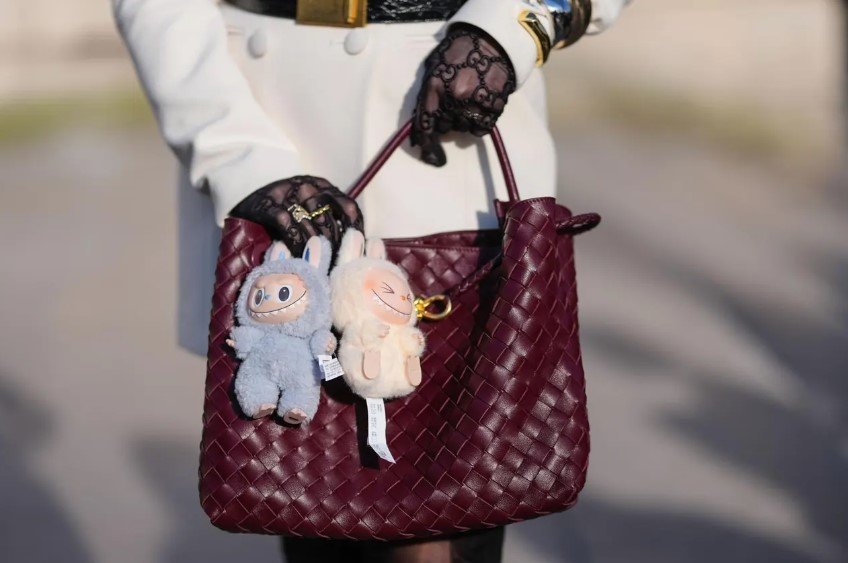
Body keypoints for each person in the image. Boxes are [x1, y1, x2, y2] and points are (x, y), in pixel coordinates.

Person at [112, 1, 630, 561]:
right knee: (301, 499)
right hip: (269, 129)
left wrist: (510, 27)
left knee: (443, 513)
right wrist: (237, 155)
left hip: (456, 105)